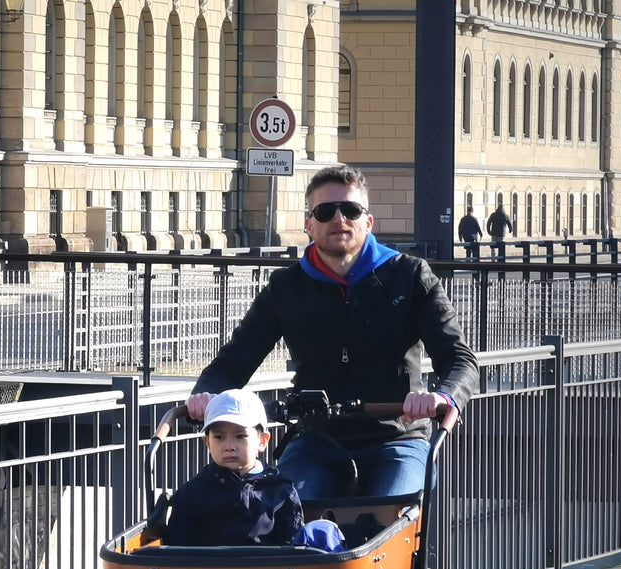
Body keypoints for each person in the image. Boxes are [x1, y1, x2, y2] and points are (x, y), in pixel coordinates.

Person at [186, 164, 479, 500]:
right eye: (325, 212)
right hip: (316, 439)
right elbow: (234, 361)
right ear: (309, 225)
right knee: (283, 512)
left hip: (398, 437)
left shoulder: (410, 275)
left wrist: (441, 397)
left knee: (392, 515)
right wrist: (206, 394)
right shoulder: (287, 287)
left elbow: (459, 358)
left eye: (351, 210)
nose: (339, 220)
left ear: (367, 222)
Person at [165, 389, 304, 547]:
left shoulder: (280, 491)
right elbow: (178, 550)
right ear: (208, 443)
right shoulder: (193, 493)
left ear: (262, 441)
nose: (229, 446)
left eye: (240, 436)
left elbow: (292, 549)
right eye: (219, 437)